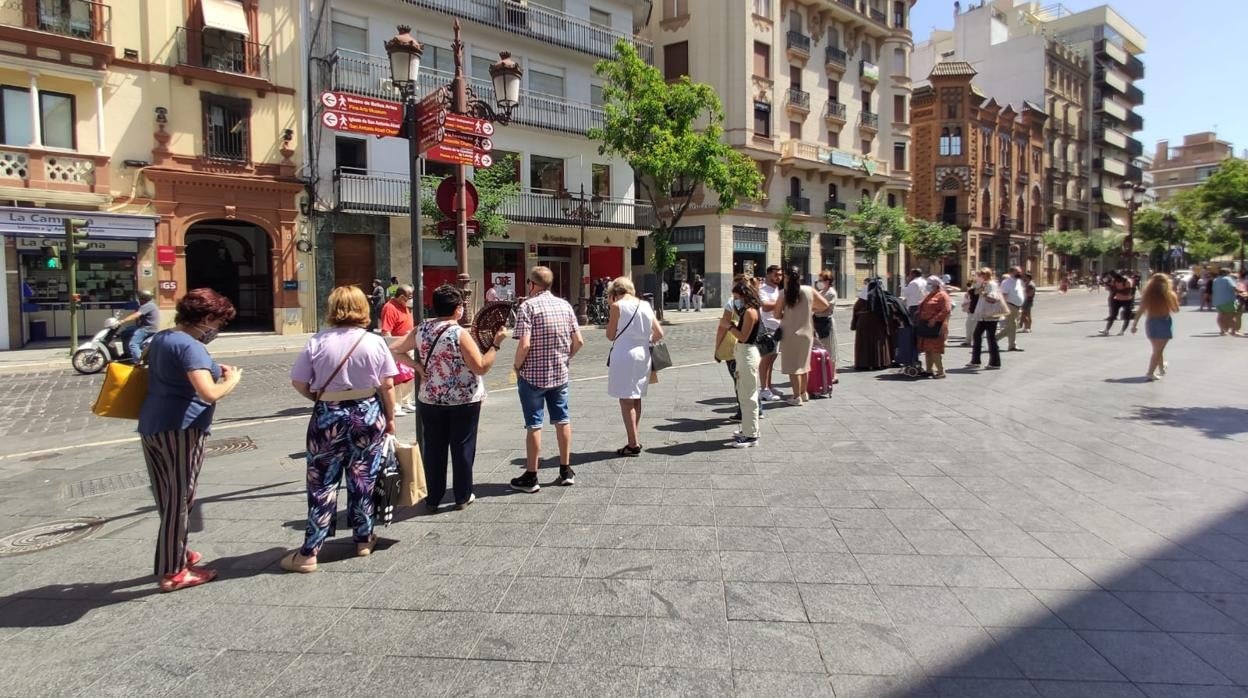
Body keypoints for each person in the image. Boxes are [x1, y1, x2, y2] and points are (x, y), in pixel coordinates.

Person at [285, 286, 398, 573]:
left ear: (333, 308)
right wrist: (390, 418)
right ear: (363, 308)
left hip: (328, 416)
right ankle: (363, 539)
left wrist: (319, 398)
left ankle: (310, 552)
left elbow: (298, 381)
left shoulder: (318, 341)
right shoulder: (374, 341)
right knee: (364, 479)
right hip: (367, 413)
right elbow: (387, 384)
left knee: (322, 483)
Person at [137, 288, 242, 591]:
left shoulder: (164, 338)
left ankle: (177, 552)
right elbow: (207, 393)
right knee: (180, 499)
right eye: (219, 323)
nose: (217, 330)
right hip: (181, 429)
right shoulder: (190, 346)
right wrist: (230, 381)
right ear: (207, 318)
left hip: (153, 424)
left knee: (166, 496)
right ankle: (174, 571)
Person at [390, 284, 507, 512]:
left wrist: (417, 366)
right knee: (463, 446)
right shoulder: (459, 333)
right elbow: (481, 367)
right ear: (458, 309)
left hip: (431, 398)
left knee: (434, 448)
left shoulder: (422, 329)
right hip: (463, 400)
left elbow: (395, 349)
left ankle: (433, 497)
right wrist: (496, 344)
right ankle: (462, 496)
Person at [511, 266, 584, 493]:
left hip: (532, 376)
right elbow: (579, 341)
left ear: (533, 284)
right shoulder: (564, 305)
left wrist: (517, 366)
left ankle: (532, 476)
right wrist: (565, 357)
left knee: (534, 424)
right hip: (559, 375)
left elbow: (524, 344)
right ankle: (565, 470)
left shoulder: (527, 307)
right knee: (562, 419)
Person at [605, 277, 663, 456]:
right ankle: (634, 438)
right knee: (636, 397)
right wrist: (644, 340)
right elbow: (659, 333)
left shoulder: (617, 306)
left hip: (624, 354)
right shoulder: (645, 305)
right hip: (643, 354)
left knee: (625, 399)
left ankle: (633, 443)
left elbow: (609, 335)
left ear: (614, 293)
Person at [775, 265, 829, 405]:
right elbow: (825, 305)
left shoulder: (783, 293)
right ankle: (804, 393)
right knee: (804, 365)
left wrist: (786, 314)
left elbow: (776, 314)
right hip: (807, 332)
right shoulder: (809, 290)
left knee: (793, 367)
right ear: (800, 276)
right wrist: (811, 308)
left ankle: (796, 396)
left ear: (786, 277)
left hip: (789, 333)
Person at [719, 280, 763, 448]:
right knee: (743, 393)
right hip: (743, 353)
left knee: (748, 395)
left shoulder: (750, 312)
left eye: (737, 297)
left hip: (747, 353)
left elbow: (743, 336)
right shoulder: (747, 311)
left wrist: (729, 326)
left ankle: (751, 435)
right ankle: (747, 429)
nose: (735, 300)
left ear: (744, 295)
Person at [1128, 274, 1180, 381]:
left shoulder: (1147, 295)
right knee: (1158, 350)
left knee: (1157, 349)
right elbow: (1176, 310)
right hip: (1164, 323)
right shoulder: (1170, 294)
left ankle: (1161, 368)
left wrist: (1134, 325)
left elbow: (1140, 311)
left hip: (1151, 322)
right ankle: (1150, 372)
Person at [380, 285, 417, 414]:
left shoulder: (405, 306)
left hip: (408, 344)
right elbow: (386, 331)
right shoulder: (390, 307)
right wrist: (391, 351)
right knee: (399, 377)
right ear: (401, 297)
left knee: (410, 375)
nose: (411, 299)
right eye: (409, 297)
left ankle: (406, 401)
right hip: (398, 347)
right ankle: (396, 405)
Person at [850, 278, 896, 370]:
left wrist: (854, 323)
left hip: (864, 323)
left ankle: (865, 363)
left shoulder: (864, 296)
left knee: (865, 343)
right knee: (878, 342)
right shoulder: (881, 295)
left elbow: (856, 308)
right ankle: (880, 362)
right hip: (879, 323)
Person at [966, 268, 1007, 370]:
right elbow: (973, 292)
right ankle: (976, 361)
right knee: (977, 335)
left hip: (990, 315)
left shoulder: (991, 284)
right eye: (979, 274)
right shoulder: (985, 284)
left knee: (990, 338)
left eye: (981, 274)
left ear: (986, 275)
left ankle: (995, 362)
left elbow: (993, 298)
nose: (979, 276)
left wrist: (984, 294)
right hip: (984, 315)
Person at [916, 276, 953, 379]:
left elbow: (946, 310)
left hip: (936, 326)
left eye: (929, 284)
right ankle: (929, 370)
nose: (927, 286)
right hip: (925, 325)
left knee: (935, 349)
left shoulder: (942, 295)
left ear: (936, 285)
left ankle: (941, 371)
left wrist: (934, 319)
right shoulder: (929, 295)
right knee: (927, 349)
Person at [757, 265, 784, 401]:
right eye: (776, 274)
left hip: (777, 326)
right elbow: (765, 306)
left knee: (772, 359)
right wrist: (781, 302)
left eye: (780, 274)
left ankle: (769, 385)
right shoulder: (762, 288)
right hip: (767, 328)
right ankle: (763, 389)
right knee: (766, 359)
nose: (778, 277)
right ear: (768, 274)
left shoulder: (776, 288)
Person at [897, 268, 928, 367]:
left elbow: (905, 294)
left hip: (914, 307)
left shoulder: (913, 283)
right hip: (923, 306)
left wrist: (906, 284)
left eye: (910, 274)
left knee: (913, 329)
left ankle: (914, 348)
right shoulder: (924, 281)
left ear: (913, 274)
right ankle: (920, 347)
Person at [120, 289, 159, 360]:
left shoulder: (148, 305)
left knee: (133, 344)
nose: (138, 299)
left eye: (139, 298)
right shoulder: (148, 304)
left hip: (147, 328)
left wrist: (123, 321)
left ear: (143, 298)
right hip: (142, 327)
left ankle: (139, 361)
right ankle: (128, 354)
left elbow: (136, 315)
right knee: (125, 333)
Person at [813, 269, 839, 369]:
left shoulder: (831, 293)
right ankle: (824, 373)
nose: (819, 282)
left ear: (827, 281)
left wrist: (814, 309)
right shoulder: (821, 291)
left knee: (829, 348)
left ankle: (832, 375)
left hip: (826, 322)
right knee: (821, 346)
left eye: (821, 280)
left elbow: (826, 308)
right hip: (818, 321)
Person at [996, 266, 1025, 351]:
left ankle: (995, 339)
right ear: (1011, 272)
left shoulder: (1019, 281)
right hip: (1010, 305)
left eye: (1020, 272)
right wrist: (1003, 307)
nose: (1019, 273)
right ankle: (1012, 345)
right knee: (1013, 325)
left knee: (1013, 326)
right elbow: (1003, 295)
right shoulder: (1006, 282)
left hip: (1018, 306)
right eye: (1017, 272)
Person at [1211, 268, 1240, 336]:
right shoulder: (1228, 279)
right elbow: (1234, 288)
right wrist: (1240, 292)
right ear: (1226, 273)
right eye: (1229, 273)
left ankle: (1222, 331)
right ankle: (1233, 331)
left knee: (1220, 316)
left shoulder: (1215, 280)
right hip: (1228, 300)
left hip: (1217, 301)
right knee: (1231, 316)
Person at [960, 279, 979, 347]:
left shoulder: (982, 291)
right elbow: (970, 298)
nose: (973, 284)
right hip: (972, 310)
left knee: (975, 327)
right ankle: (968, 341)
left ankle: (975, 342)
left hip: (979, 311)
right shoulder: (971, 291)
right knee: (969, 326)